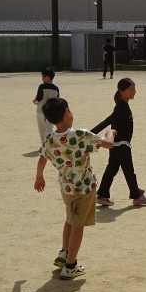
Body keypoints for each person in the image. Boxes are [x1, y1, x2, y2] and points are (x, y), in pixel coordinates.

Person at [34, 97, 116, 279]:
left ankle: (64, 252)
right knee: (78, 225)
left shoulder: (50, 139)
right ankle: (71, 265)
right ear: (66, 112)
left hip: (66, 188)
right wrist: (110, 132)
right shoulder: (80, 134)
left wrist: (39, 176)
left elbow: (42, 158)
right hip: (84, 188)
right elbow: (108, 144)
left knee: (70, 220)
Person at [90, 78, 146, 207]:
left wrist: (90, 135)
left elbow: (109, 120)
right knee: (129, 170)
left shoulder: (123, 105)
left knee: (112, 169)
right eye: (131, 89)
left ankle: (102, 194)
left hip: (117, 145)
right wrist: (89, 135)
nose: (134, 92)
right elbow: (107, 121)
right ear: (121, 91)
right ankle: (137, 196)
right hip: (121, 144)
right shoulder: (121, 106)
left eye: (134, 89)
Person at [32, 67, 59, 142]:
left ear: (47, 77)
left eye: (42, 76)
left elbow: (39, 97)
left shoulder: (42, 86)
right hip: (51, 111)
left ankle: (43, 143)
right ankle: (50, 142)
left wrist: (34, 101)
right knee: (49, 127)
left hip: (41, 110)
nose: (42, 78)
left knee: (41, 128)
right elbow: (57, 100)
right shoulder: (56, 88)